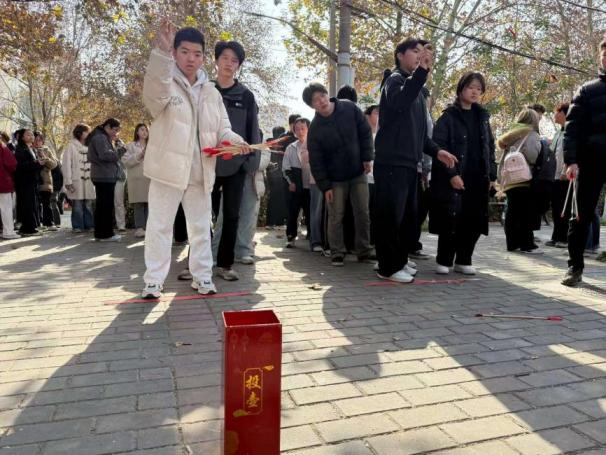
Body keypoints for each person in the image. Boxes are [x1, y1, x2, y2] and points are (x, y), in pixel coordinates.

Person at [141, 22, 247, 299]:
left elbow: (223, 129)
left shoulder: (211, 92)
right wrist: (160, 53)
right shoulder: (165, 82)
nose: (191, 58)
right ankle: (153, 281)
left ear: (203, 57)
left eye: (197, 53)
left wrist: (236, 142)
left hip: (201, 172)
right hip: (167, 170)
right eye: (185, 52)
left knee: (201, 229)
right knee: (159, 227)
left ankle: (202, 277)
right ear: (174, 53)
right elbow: (153, 98)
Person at [373, 38, 458, 283]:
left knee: (407, 219)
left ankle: (399, 260)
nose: (420, 55)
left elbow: (419, 133)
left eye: (423, 52)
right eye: (415, 51)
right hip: (392, 162)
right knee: (391, 217)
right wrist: (422, 71)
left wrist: (437, 151)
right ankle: (387, 267)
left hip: (411, 163)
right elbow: (400, 102)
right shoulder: (394, 80)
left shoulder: (418, 92)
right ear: (400, 55)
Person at [430, 72, 497, 275]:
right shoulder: (448, 117)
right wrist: (452, 174)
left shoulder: (483, 118)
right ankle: (444, 259)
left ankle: (464, 259)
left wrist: (492, 176)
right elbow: (439, 147)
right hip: (456, 176)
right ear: (460, 90)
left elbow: (490, 147)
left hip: (478, 177)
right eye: (470, 87)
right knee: (451, 218)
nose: (475, 92)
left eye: (479, 89)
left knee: (473, 219)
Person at [304, 82, 375, 266]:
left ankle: (364, 250)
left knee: (363, 213)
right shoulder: (315, 129)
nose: (321, 101)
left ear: (327, 94)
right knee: (336, 216)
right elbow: (316, 162)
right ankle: (337, 251)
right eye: (315, 100)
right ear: (312, 106)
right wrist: (325, 186)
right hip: (335, 179)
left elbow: (365, 132)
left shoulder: (349, 108)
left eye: (322, 96)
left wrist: (367, 157)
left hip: (358, 172)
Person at [211, 40, 261, 278]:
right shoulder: (205, 90)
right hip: (206, 164)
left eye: (234, 60)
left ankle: (225, 264)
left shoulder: (246, 96)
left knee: (232, 215)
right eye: (225, 58)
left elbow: (253, 131)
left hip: (236, 166)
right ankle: (197, 264)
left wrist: (249, 163)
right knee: (200, 216)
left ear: (238, 65)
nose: (229, 64)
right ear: (216, 61)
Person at [562, 40, 606, 286]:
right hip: (590, 162)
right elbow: (572, 129)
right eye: (605, 54)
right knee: (580, 216)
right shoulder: (587, 91)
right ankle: (574, 268)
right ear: (600, 57)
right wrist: (571, 161)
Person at [497, 108, 543, 253]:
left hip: (510, 179)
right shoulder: (531, 134)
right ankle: (527, 244)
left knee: (512, 211)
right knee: (525, 212)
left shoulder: (511, 133)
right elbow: (532, 155)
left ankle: (512, 244)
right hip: (524, 178)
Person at [87, 118, 122, 242]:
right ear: (107, 127)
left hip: (102, 175)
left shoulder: (100, 136)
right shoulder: (100, 137)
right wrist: (120, 151)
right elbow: (105, 155)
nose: (116, 133)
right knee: (106, 206)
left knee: (102, 206)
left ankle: (100, 234)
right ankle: (106, 234)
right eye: (115, 130)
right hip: (104, 175)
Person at [282, 118, 312, 248]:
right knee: (293, 213)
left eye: (303, 128)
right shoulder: (291, 148)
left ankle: (312, 236)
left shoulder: (313, 146)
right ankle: (290, 237)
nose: (300, 131)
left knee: (311, 213)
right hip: (296, 185)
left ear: (308, 129)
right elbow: (285, 168)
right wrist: (291, 182)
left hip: (311, 185)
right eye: (297, 129)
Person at [62, 123, 95, 232]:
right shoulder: (71, 146)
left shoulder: (90, 147)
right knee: (77, 205)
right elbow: (66, 165)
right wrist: (68, 181)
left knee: (88, 204)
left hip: (89, 180)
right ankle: (77, 226)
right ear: (80, 133)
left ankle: (89, 225)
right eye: (86, 131)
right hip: (76, 180)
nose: (89, 134)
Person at [546, 102, 570, 248]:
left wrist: (563, 171)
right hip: (553, 176)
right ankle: (556, 236)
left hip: (564, 176)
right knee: (556, 207)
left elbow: (567, 153)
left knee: (563, 208)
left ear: (563, 113)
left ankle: (563, 238)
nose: (554, 115)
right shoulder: (558, 132)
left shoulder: (570, 130)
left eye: (556, 112)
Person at [123, 123, 150, 238]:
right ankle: (139, 228)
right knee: (138, 204)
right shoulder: (130, 146)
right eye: (142, 130)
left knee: (150, 203)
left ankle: (149, 228)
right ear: (137, 132)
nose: (145, 132)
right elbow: (125, 161)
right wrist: (139, 155)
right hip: (137, 180)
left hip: (150, 179)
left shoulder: (152, 145)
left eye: (146, 130)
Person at [14, 129, 43, 236]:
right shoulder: (20, 149)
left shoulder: (31, 148)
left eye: (32, 134)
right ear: (22, 137)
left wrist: (39, 163)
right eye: (28, 135)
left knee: (31, 204)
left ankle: (29, 227)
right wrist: (36, 163)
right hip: (24, 182)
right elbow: (21, 166)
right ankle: (28, 229)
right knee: (27, 205)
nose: (31, 136)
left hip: (32, 181)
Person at [33, 132, 59, 231]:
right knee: (36, 204)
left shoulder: (46, 150)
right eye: (35, 140)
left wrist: (45, 157)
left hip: (45, 181)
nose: (37, 142)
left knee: (46, 203)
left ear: (42, 141)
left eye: (39, 140)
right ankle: (38, 223)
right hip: (34, 181)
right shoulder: (29, 149)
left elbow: (54, 165)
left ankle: (49, 223)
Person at [265, 125, 289, 229]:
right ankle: (279, 222)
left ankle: (270, 223)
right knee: (281, 199)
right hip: (280, 175)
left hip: (271, 174)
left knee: (272, 199)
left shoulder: (269, 144)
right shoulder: (282, 144)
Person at [364, 104, 379, 246]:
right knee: (365, 212)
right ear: (368, 116)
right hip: (365, 179)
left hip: (379, 180)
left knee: (376, 212)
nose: (379, 116)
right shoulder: (363, 135)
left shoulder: (384, 135)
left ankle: (374, 240)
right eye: (376, 113)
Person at [0, 132, 19, 239]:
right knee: (6, 208)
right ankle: (8, 232)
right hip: (3, 180)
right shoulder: (2, 147)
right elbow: (12, 164)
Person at [113, 138, 127, 232]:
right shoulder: (108, 149)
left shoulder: (123, 150)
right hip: (107, 178)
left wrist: (122, 147)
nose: (117, 143)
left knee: (119, 202)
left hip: (119, 178)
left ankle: (121, 225)